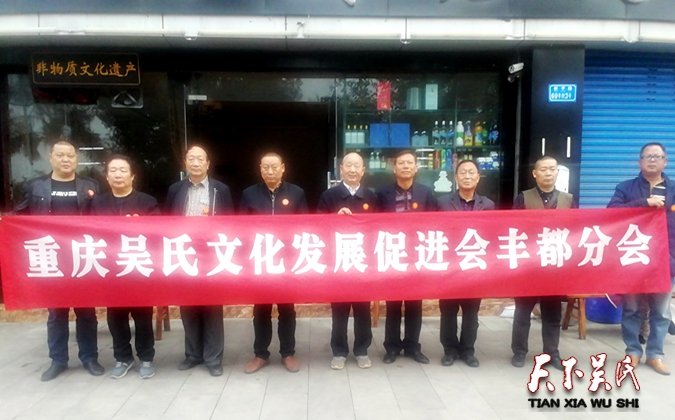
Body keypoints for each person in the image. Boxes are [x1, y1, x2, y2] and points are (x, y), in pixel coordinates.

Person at [14, 139, 104, 381]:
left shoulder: (90, 185)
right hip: (52, 257)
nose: (66, 159)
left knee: (86, 312)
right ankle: (58, 360)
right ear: (51, 158)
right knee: (56, 313)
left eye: (70, 155)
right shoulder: (36, 186)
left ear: (76, 159)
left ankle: (90, 358)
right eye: (60, 155)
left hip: (81, 256)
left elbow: (102, 217)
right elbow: (19, 215)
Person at [165, 144, 234, 377]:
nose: (195, 163)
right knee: (188, 307)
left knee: (212, 307)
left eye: (200, 159)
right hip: (184, 254)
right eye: (191, 158)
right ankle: (193, 355)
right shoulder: (175, 189)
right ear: (185, 163)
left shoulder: (220, 190)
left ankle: (213, 358)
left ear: (208, 164)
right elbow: (167, 222)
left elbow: (231, 223)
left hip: (212, 255)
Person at [608, 142, 674, 375]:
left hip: (666, 260)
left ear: (665, 161)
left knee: (661, 312)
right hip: (633, 258)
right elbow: (611, 213)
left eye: (657, 156)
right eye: (648, 156)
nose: (652, 160)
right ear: (640, 161)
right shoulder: (625, 188)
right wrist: (643, 204)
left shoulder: (673, 189)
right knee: (632, 310)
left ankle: (655, 355)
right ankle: (633, 351)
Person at [91, 155, 159, 379]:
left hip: (138, 267)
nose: (118, 175)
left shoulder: (147, 202)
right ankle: (123, 358)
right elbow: (87, 232)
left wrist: (142, 225)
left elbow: (160, 233)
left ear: (132, 176)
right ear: (107, 177)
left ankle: (146, 357)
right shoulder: (97, 203)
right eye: (113, 170)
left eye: (123, 170)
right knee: (115, 317)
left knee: (143, 317)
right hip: (110, 270)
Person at [240, 152, 308, 373]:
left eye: (274, 167)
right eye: (266, 167)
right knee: (261, 309)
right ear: (260, 169)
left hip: (286, 261)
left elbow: (305, 226)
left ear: (283, 168)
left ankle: (288, 353)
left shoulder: (296, 193)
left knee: (287, 308)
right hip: (259, 260)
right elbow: (239, 228)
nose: (270, 171)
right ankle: (261, 354)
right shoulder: (249, 194)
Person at [511, 155, 574, 370]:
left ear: (557, 172)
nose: (548, 173)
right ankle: (519, 352)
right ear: (535, 173)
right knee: (522, 313)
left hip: (554, 266)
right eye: (543, 169)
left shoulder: (568, 199)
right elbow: (514, 228)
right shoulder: (523, 198)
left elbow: (576, 230)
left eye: (552, 169)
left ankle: (552, 354)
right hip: (528, 266)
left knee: (552, 314)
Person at [376, 150, 437, 364]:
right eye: (401, 163)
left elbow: (435, 222)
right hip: (392, 253)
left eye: (410, 163)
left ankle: (412, 347)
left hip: (417, 255)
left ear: (416, 167)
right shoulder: (382, 194)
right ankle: (392, 347)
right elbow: (374, 223)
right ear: (394, 168)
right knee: (392, 304)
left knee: (414, 304)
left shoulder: (426, 193)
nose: (405, 166)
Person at [317, 152, 377, 370]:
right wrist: (334, 219)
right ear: (341, 169)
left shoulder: (371, 196)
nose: (352, 170)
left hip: (363, 261)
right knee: (339, 309)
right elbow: (318, 225)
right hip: (338, 260)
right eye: (348, 165)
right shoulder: (329, 196)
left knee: (363, 309)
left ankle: (362, 350)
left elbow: (379, 227)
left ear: (363, 170)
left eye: (356, 166)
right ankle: (339, 351)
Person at [437, 159, 495, 368]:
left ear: (478, 178)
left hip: (474, 266)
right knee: (448, 312)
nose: (467, 176)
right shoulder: (442, 203)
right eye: (463, 172)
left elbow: (492, 235)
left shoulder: (488, 205)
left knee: (471, 313)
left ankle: (468, 350)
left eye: (471, 173)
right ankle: (450, 350)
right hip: (450, 267)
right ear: (456, 177)